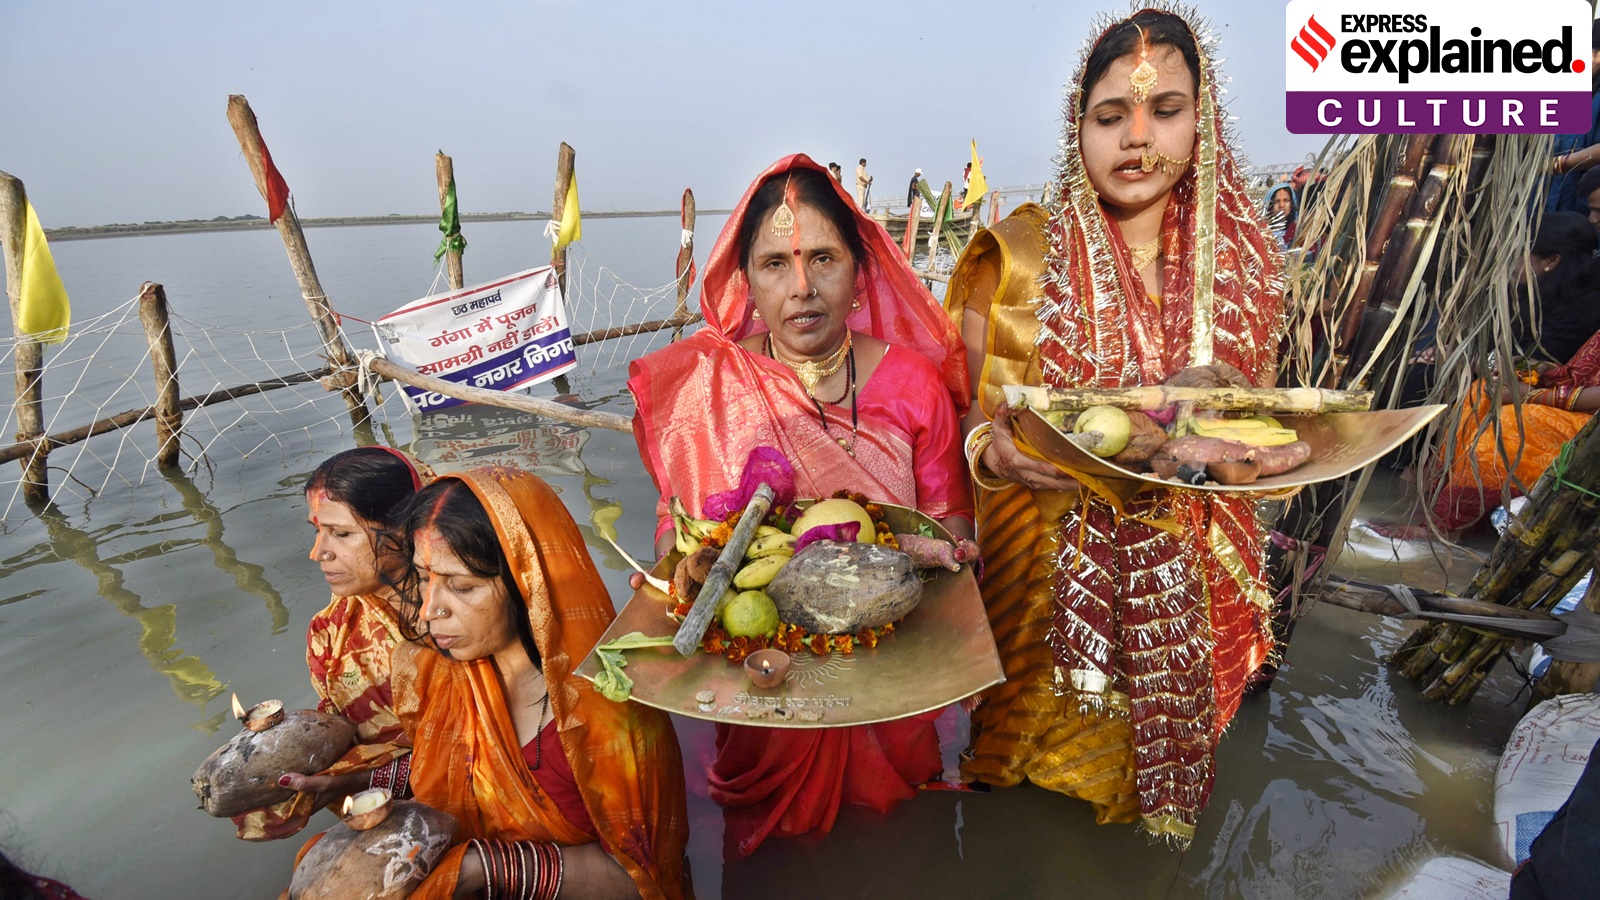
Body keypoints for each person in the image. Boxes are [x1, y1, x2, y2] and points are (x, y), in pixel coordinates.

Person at [945, 7, 1284, 848]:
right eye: (1110, 117)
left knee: (1149, 793)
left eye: (1165, 110)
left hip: (1190, 572)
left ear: (1201, 122)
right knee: (1026, 796)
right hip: (1042, 563)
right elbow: (964, 411)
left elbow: (1261, 432)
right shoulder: (1015, 256)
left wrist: (1226, 437)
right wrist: (997, 454)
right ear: (1079, 128)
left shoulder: (1241, 265)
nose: (1137, 139)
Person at [628, 155, 976, 854]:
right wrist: (672, 577)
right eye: (776, 265)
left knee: (900, 856)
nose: (803, 287)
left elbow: (954, 531)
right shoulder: (708, 390)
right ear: (746, 280)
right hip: (759, 688)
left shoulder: (912, 384)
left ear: (861, 270)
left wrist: (927, 560)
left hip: (888, 679)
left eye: (823, 258)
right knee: (768, 863)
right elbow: (681, 537)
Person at [379, 467, 691, 898]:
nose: (430, 609)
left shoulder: (610, 709)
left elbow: (643, 881)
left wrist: (483, 867)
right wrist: (350, 786)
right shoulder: (446, 672)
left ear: (529, 585)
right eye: (424, 578)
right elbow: (451, 772)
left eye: (463, 587)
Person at [238, 446, 427, 841]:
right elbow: (350, 730)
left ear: (405, 528)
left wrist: (360, 780)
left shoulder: (467, 615)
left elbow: (499, 746)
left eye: (341, 533)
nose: (317, 552)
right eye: (317, 530)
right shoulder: (334, 631)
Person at [1263, 181, 1297, 250]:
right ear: (1269, 205)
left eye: (1286, 200)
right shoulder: (1263, 231)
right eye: (1277, 201)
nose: (1282, 205)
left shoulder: (1297, 229)